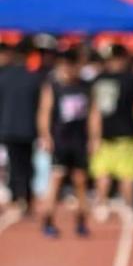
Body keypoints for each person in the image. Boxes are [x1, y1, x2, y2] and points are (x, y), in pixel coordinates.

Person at [37, 49, 90, 237]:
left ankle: (82, 221)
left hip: (79, 141)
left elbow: (93, 113)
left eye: (71, 64)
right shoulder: (53, 86)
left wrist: (94, 138)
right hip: (60, 140)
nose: (67, 69)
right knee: (57, 178)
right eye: (64, 65)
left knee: (80, 180)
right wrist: (45, 136)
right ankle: (47, 221)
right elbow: (45, 111)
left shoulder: (85, 86)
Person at [89, 44, 133, 220]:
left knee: (103, 172)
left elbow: (95, 111)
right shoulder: (131, 79)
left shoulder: (98, 80)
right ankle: (128, 207)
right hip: (127, 133)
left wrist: (94, 136)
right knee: (127, 174)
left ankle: (102, 205)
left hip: (105, 134)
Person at [0, 39, 43, 217]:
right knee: (26, 164)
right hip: (28, 128)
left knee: (14, 164)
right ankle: (24, 197)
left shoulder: (3, 77)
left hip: (8, 127)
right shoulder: (34, 78)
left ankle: (19, 196)